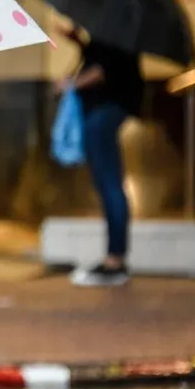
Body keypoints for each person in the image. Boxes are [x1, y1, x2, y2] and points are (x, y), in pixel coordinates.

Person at [58, 27, 143, 287]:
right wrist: (80, 42)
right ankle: (114, 258)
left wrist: (70, 85)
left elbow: (102, 69)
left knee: (109, 184)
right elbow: (104, 60)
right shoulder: (114, 29)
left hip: (104, 111)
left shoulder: (115, 28)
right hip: (105, 110)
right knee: (108, 184)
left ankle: (115, 261)